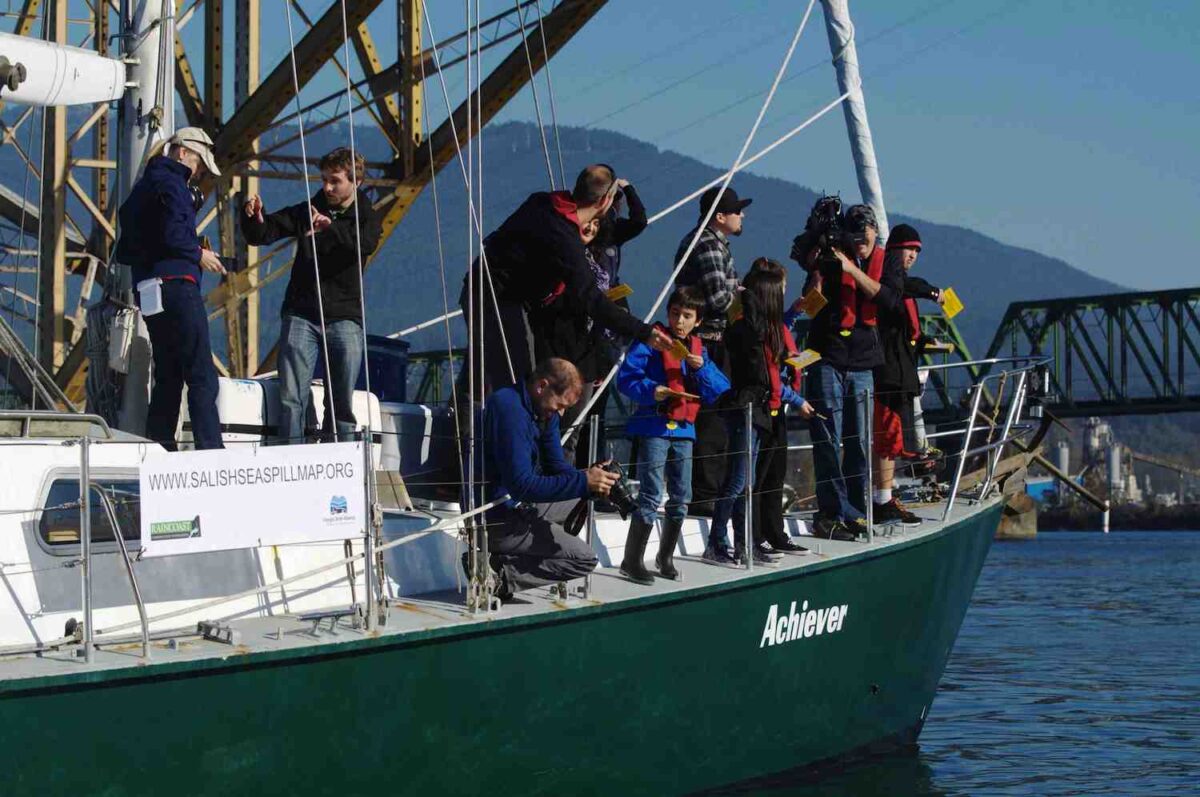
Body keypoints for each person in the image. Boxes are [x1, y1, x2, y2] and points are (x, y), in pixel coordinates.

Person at [461, 165, 670, 402]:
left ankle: (462, 419)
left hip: (492, 292)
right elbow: (591, 299)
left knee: (493, 376)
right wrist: (644, 332)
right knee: (515, 384)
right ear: (605, 201)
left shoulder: (540, 202)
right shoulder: (565, 241)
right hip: (495, 298)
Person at [242, 147, 382, 444]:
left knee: (341, 402)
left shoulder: (367, 216)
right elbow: (265, 233)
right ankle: (292, 457)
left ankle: (342, 459)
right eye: (324, 180)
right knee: (291, 398)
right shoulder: (308, 210)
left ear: (355, 182)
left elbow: (364, 243)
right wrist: (255, 218)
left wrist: (330, 228)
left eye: (335, 181)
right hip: (301, 313)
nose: (327, 187)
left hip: (344, 316)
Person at [791, 202, 902, 542]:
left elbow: (889, 300)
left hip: (864, 362)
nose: (859, 243)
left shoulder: (887, 261)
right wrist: (816, 271)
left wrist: (852, 270)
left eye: (864, 236)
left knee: (859, 443)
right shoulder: (831, 255)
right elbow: (810, 303)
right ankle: (832, 512)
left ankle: (856, 509)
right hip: (827, 356)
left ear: (875, 232)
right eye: (853, 237)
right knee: (828, 437)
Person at [114, 127, 226, 451]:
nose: (198, 172)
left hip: (149, 290)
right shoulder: (173, 182)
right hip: (177, 285)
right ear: (182, 153)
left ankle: (161, 447)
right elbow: (174, 234)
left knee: (169, 373)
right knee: (201, 374)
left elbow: (131, 227)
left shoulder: (146, 184)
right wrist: (198, 254)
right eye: (198, 163)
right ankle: (211, 451)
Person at [615, 286, 730, 584]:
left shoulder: (698, 350)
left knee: (682, 495)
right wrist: (652, 390)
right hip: (655, 425)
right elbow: (626, 379)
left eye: (687, 316)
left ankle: (665, 557)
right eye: (675, 313)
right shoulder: (652, 341)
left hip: (684, 429)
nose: (679, 321)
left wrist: (701, 369)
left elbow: (719, 388)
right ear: (668, 313)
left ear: (697, 321)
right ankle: (631, 561)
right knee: (651, 493)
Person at [478, 358, 617, 599]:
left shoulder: (543, 409)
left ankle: (512, 556)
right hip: (495, 517)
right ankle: (502, 576)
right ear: (542, 386)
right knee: (584, 559)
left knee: (582, 500)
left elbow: (555, 465)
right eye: (560, 405)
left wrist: (592, 479)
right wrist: (583, 481)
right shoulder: (509, 409)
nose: (561, 413)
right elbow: (522, 486)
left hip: (518, 505)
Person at [710, 258, 815, 564]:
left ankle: (745, 544)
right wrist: (749, 297)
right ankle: (718, 542)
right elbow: (753, 344)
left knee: (748, 482)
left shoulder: (767, 331)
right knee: (737, 482)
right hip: (746, 409)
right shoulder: (746, 329)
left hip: (759, 411)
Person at [673, 185, 751, 515]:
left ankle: (706, 490)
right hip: (708, 341)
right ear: (720, 216)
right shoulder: (707, 244)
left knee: (712, 418)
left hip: (707, 339)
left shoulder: (709, 241)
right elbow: (718, 299)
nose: (741, 216)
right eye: (737, 211)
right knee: (712, 418)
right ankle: (705, 494)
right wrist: (744, 293)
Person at [871, 223, 945, 525]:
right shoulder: (891, 278)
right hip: (889, 370)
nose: (913, 255)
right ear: (894, 249)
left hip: (901, 368)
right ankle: (882, 499)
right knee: (887, 435)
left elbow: (900, 325)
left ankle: (885, 496)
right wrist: (932, 291)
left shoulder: (900, 281)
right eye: (908, 249)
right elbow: (902, 288)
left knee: (891, 435)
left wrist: (923, 340)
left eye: (917, 251)